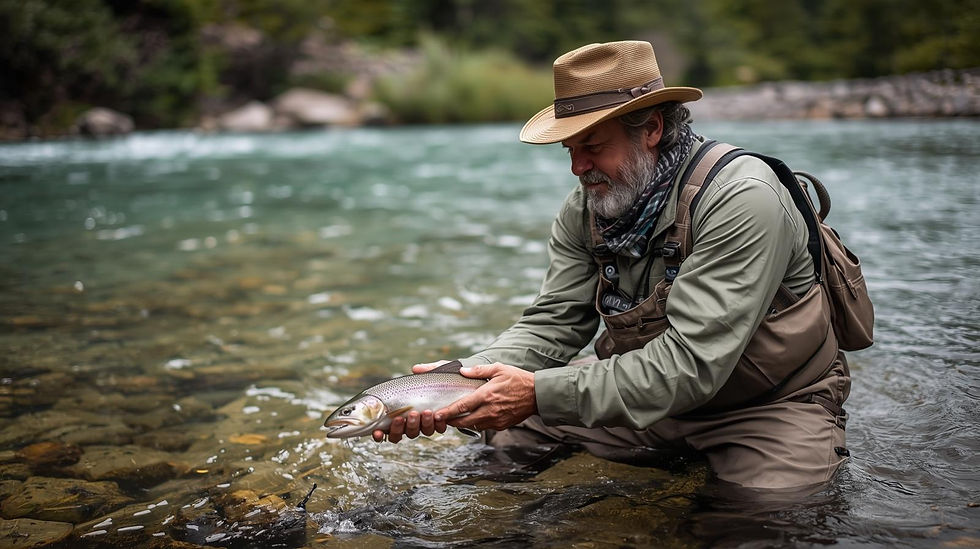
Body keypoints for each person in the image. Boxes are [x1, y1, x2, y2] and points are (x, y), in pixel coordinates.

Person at [375, 40, 851, 490]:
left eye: (593, 146)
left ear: (652, 129)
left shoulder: (742, 199)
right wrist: (455, 382)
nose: (577, 168)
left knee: (764, 518)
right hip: (653, 402)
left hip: (770, 405)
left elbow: (691, 363)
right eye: (570, 149)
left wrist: (537, 393)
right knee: (503, 438)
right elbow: (554, 322)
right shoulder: (587, 208)